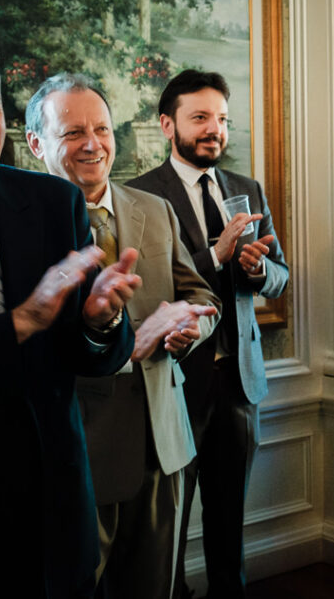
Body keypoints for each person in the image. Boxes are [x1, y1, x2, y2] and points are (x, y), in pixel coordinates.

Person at [0, 27, 138, 596]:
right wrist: (22, 321)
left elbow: (87, 358)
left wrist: (100, 321)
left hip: (57, 507)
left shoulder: (54, 202)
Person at [26, 73, 221, 598]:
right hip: (75, 452)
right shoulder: (21, 223)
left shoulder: (153, 209)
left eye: (103, 129)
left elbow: (203, 296)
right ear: (36, 143)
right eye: (72, 133)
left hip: (161, 438)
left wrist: (187, 329)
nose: (93, 144)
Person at [128, 70, 290, 599]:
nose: (214, 130)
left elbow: (280, 276)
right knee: (168, 523)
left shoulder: (246, 189)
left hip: (239, 384)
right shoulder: (141, 196)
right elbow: (147, 293)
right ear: (166, 124)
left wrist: (257, 269)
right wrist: (216, 256)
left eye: (221, 119)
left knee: (230, 519)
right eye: (200, 118)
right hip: (175, 384)